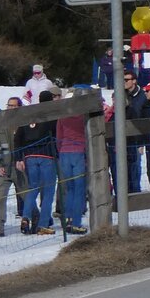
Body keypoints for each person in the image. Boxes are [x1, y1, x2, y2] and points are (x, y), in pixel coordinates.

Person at [14, 91, 58, 235]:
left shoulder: (29, 114)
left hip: (29, 156)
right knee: (48, 191)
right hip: (47, 155)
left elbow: (17, 138)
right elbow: (57, 134)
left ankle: (26, 217)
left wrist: (18, 158)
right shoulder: (52, 114)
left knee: (33, 188)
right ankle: (43, 224)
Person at [0, 96, 28, 237]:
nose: (11, 108)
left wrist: (24, 161)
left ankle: (33, 219)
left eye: (14, 106)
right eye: (9, 105)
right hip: (5, 168)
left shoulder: (25, 122)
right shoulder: (0, 124)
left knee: (26, 195)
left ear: (19, 107)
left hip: (20, 166)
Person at [56, 89, 88, 235]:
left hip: (64, 152)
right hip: (79, 151)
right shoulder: (83, 115)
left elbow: (59, 136)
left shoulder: (62, 117)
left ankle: (68, 219)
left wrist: (61, 150)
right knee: (79, 189)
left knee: (69, 189)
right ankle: (76, 222)